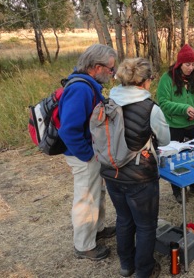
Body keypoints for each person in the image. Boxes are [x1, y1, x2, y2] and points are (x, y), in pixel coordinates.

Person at [100, 57, 170, 278]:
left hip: (112, 173)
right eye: (151, 79)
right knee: (146, 225)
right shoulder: (151, 108)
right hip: (140, 177)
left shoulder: (106, 102)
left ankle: (126, 265)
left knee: (123, 219)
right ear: (145, 81)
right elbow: (166, 140)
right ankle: (144, 270)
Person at [58, 44, 117, 261]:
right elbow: (68, 129)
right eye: (110, 69)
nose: (112, 73)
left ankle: (98, 228)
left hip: (90, 152)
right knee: (86, 197)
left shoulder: (88, 85)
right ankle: (84, 245)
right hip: (82, 155)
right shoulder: (81, 89)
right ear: (96, 67)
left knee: (96, 193)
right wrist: (87, 155)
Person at [156, 43, 194, 204]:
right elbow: (163, 103)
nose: (190, 68)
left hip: (193, 125)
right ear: (179, 64)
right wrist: (184, 108)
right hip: (174, 126)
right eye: (187, 64)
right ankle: (178, 189)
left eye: (193, 64)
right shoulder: (167, 79)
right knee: (175, 159)